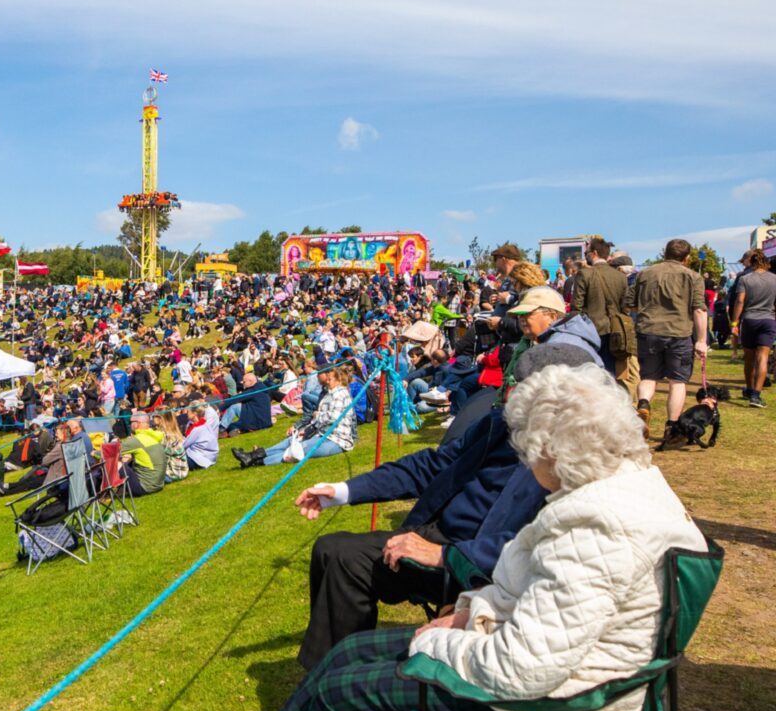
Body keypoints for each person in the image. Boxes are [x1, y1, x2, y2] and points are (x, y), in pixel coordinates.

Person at [191, 362, 705, 711]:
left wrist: (440, 641)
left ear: (554, 449)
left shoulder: (597, 528)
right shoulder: (621, 490)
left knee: (350, 689)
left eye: (530, 450)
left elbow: (524, 668)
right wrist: (469, 610)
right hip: (574, 679)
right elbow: (533, 599)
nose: (525, 463)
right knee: (351, 653)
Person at [290, 344, 597, 669]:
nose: (511, 395)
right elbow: (429, 466)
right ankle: (328, 675)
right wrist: (342, 490)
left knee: (344, 555)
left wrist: (445, 555)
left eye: (523, 389)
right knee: (331, 550)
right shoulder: (498, 426)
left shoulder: (575, 466)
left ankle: (334, 682)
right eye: (515, 385)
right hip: (436, 538)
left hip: (477, 566)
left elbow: (537, 547)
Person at [626, 238, 708, 433]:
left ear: (664, 253)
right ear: (687, 258)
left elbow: (630, 303)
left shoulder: (645, 273)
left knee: (648, 376)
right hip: (678, 333)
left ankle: (644, 404)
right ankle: (671, 425)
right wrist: (702, 340)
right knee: (677, 381)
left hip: (648, 330)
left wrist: (647, 309)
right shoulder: (693, 277)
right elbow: (699, 310)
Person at [250, 363, 358, 465]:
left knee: (298, 449)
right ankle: (254, 456)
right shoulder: (330, 394)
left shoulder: (340, 395)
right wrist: (307, 429)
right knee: (291, 441)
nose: (328, 381)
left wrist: (317, 415)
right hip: (323, 434)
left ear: (338, 380)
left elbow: (333, 418)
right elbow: (323, 419)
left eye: (330, 379)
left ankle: (258, 461)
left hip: (337, 440)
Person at [572, 237, 635, 390]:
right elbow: (624, 306)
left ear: (594, 253)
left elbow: (576, 306)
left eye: (587, 252)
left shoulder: (584, 274)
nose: (585, 255)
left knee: (589, 371)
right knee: (610, 372)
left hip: (590, 330)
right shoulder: (620, 277)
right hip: (614, 330)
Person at [730, 249, 775, 407]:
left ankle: (749, 389)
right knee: (763, 357)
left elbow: (740, 301)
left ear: (753, 262)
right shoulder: (774, 279)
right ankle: (756, 395)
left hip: (749, 320)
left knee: (749, 357)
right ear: (766, 262)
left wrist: (735, 322)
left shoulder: (745, 279)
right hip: (768, 320)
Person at [121, 413, 167, 496]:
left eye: (130, 422)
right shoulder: (153, 435)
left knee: (116, 463)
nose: (130, 425)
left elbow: (110, 452)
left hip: (145, 488)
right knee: (128, 458)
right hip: (158, 484)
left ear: (137, 424)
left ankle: (103, 493)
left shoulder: (137, 440)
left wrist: (95, 452)